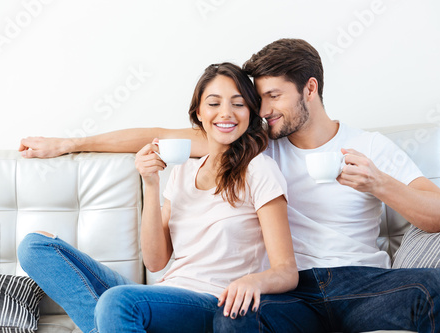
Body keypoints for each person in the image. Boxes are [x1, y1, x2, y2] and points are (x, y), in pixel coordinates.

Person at [19, 39, 440, 332]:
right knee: (230, 318)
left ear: (311, 89)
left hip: (359, 282)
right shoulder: (255, 144)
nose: (264, 111)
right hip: (288, 292)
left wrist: (379, 184)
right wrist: (69, 143)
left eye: (273, 97)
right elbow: (156, 136)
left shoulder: (370, 147)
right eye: (257, 101)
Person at [17, 62, 298, 332]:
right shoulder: (183, 171)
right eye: (214, 103)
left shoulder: (259, 169)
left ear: (250, 112)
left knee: (116, 304)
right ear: (198, 113)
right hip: (165, 296)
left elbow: (286, 271)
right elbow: (155, 262)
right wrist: (150, 185)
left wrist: (252, 282)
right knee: (35, 246)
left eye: (238, 104)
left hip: (212, 304)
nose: (226, 113)